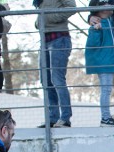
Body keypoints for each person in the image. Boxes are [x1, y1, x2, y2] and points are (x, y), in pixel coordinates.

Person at [35, 0, 75, 128]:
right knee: (45, 80)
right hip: (44, 40)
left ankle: (65, 118)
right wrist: (38, 22)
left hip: (59, 38)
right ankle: (52, 117)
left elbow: (71, 7)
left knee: (57, 79)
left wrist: (49, 17)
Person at [85, 0, 114, 126]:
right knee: (106, 90)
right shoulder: (97, 24)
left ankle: (107, 117)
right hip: (104, 62)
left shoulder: (111, 21)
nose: (110, 5)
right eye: (106, 4)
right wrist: (95, 30)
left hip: (111, 61)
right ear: (99, 9)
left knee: (108, 90)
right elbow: (93, 44)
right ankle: (105, 117)